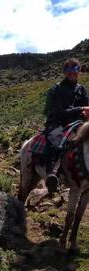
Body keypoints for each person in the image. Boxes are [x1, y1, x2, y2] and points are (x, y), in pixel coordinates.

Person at [43, 57, 89, 194]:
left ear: (79, 71)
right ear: (64, 72)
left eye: (74, 68)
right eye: (67, 69)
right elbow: (59, 112)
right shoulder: (56, 89)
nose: (71, 72)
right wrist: (81, 109)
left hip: (77, 122)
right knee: (58, 140)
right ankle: (52, 173)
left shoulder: (82, 90)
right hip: (57, 122)